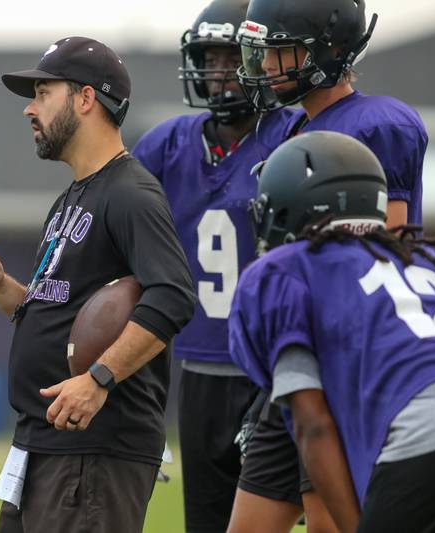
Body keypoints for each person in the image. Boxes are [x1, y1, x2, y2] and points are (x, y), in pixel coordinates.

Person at [0, 36, 196, 533]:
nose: (30, 109)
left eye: (44, 93)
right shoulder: (71, 199)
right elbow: (59, 312)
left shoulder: (131, 193)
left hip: (94, 451)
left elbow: (173, 295)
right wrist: (1, 288)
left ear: (86, 98)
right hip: (42, 443)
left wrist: (99, 379)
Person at [228, 0, 429, 530]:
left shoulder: (376, 123)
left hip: (342, 350)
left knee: (330, 523)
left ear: (328, 51)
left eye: (280, 51)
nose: (265, 64)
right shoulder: (296, 127)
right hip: (301, 341)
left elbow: (381, 246)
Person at [131, 1, 295, 530]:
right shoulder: (167, 143)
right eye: (210, 59)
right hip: (198, 363)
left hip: (273, 364)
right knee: (205, 521)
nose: (220, 72)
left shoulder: (292, 136)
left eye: (232, 58)